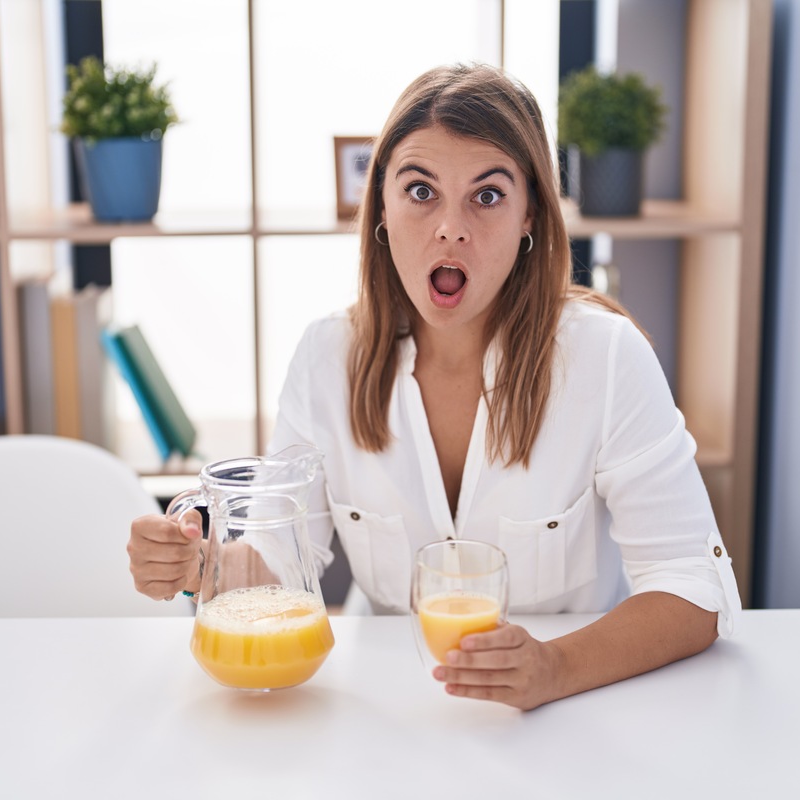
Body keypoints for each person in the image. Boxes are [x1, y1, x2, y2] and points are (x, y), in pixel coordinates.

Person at [127, 63, 741, 710]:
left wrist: (554, 668)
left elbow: (694, 588)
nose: (451, 227)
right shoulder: (325, 357)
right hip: (391, 709)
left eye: (488, 195)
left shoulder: (608, 358)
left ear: (531, 211)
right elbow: (279, 559)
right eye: (421, 192)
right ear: (382, 210)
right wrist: (199, 569)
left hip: (574, 715)